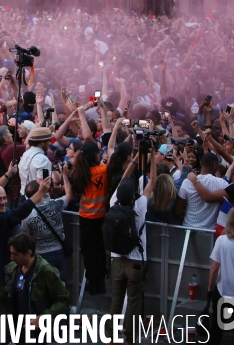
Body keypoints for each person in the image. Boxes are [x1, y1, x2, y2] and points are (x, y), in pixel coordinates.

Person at [0, 176, 51, 345]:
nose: (3, 202)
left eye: (5, 198)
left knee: (1, 321)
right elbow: (18, 213)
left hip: (1, 277)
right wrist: (40, 193)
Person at [107, 147, 156, 345]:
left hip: (117, 259)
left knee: (116, 300)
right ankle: (131, 338)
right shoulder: (140, 205)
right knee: (134, 301)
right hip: (136, 260)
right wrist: (151, 156)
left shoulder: (113, 203)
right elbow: (152, 181)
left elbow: (121, 183)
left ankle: (111, 337)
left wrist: (135, 160)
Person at [0, 233, 69, 344]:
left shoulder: (45, 271)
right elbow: (12, 294)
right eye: (11, 253)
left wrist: (42, 318)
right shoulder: (14, 268)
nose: (12, 258)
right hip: (15, 328)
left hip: (35, 332)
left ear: (29, 253)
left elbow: (63, 300)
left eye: (16, 254)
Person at [21, 163, 74, 283]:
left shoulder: (26, 215)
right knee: (61, 285)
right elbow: (69, 194)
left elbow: (26, 236)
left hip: (41, 254)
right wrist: (64, 175)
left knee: (44, 286)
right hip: (60, 250)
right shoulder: (55, 204)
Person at [70, 140, 109, 296]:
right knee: (100, 250)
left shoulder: (78, 173)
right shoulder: (105, 170)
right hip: (102, 216)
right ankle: (101, 281)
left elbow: (78, 193)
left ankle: (93, 283)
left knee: (89, 252)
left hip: (86, 217)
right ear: (96, 155)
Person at [207, 206, 234, 345]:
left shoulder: (221, 241)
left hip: (223, 290)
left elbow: (214, 268)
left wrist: (210, 287)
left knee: (217, 328)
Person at [176, 152, 228, 229]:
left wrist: (186, 213)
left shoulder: (187, 182)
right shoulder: (222, 184)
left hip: (188, 229)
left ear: (200, 163)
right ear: (215, 165)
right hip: (209, 232)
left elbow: (178, 210)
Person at [18, 127, 53, 199]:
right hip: (37, 200)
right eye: (49, 140)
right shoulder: (43, 159)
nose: (51, 143)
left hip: (23, 197)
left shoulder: (25, 154)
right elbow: (43, 186)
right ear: (42, 142)